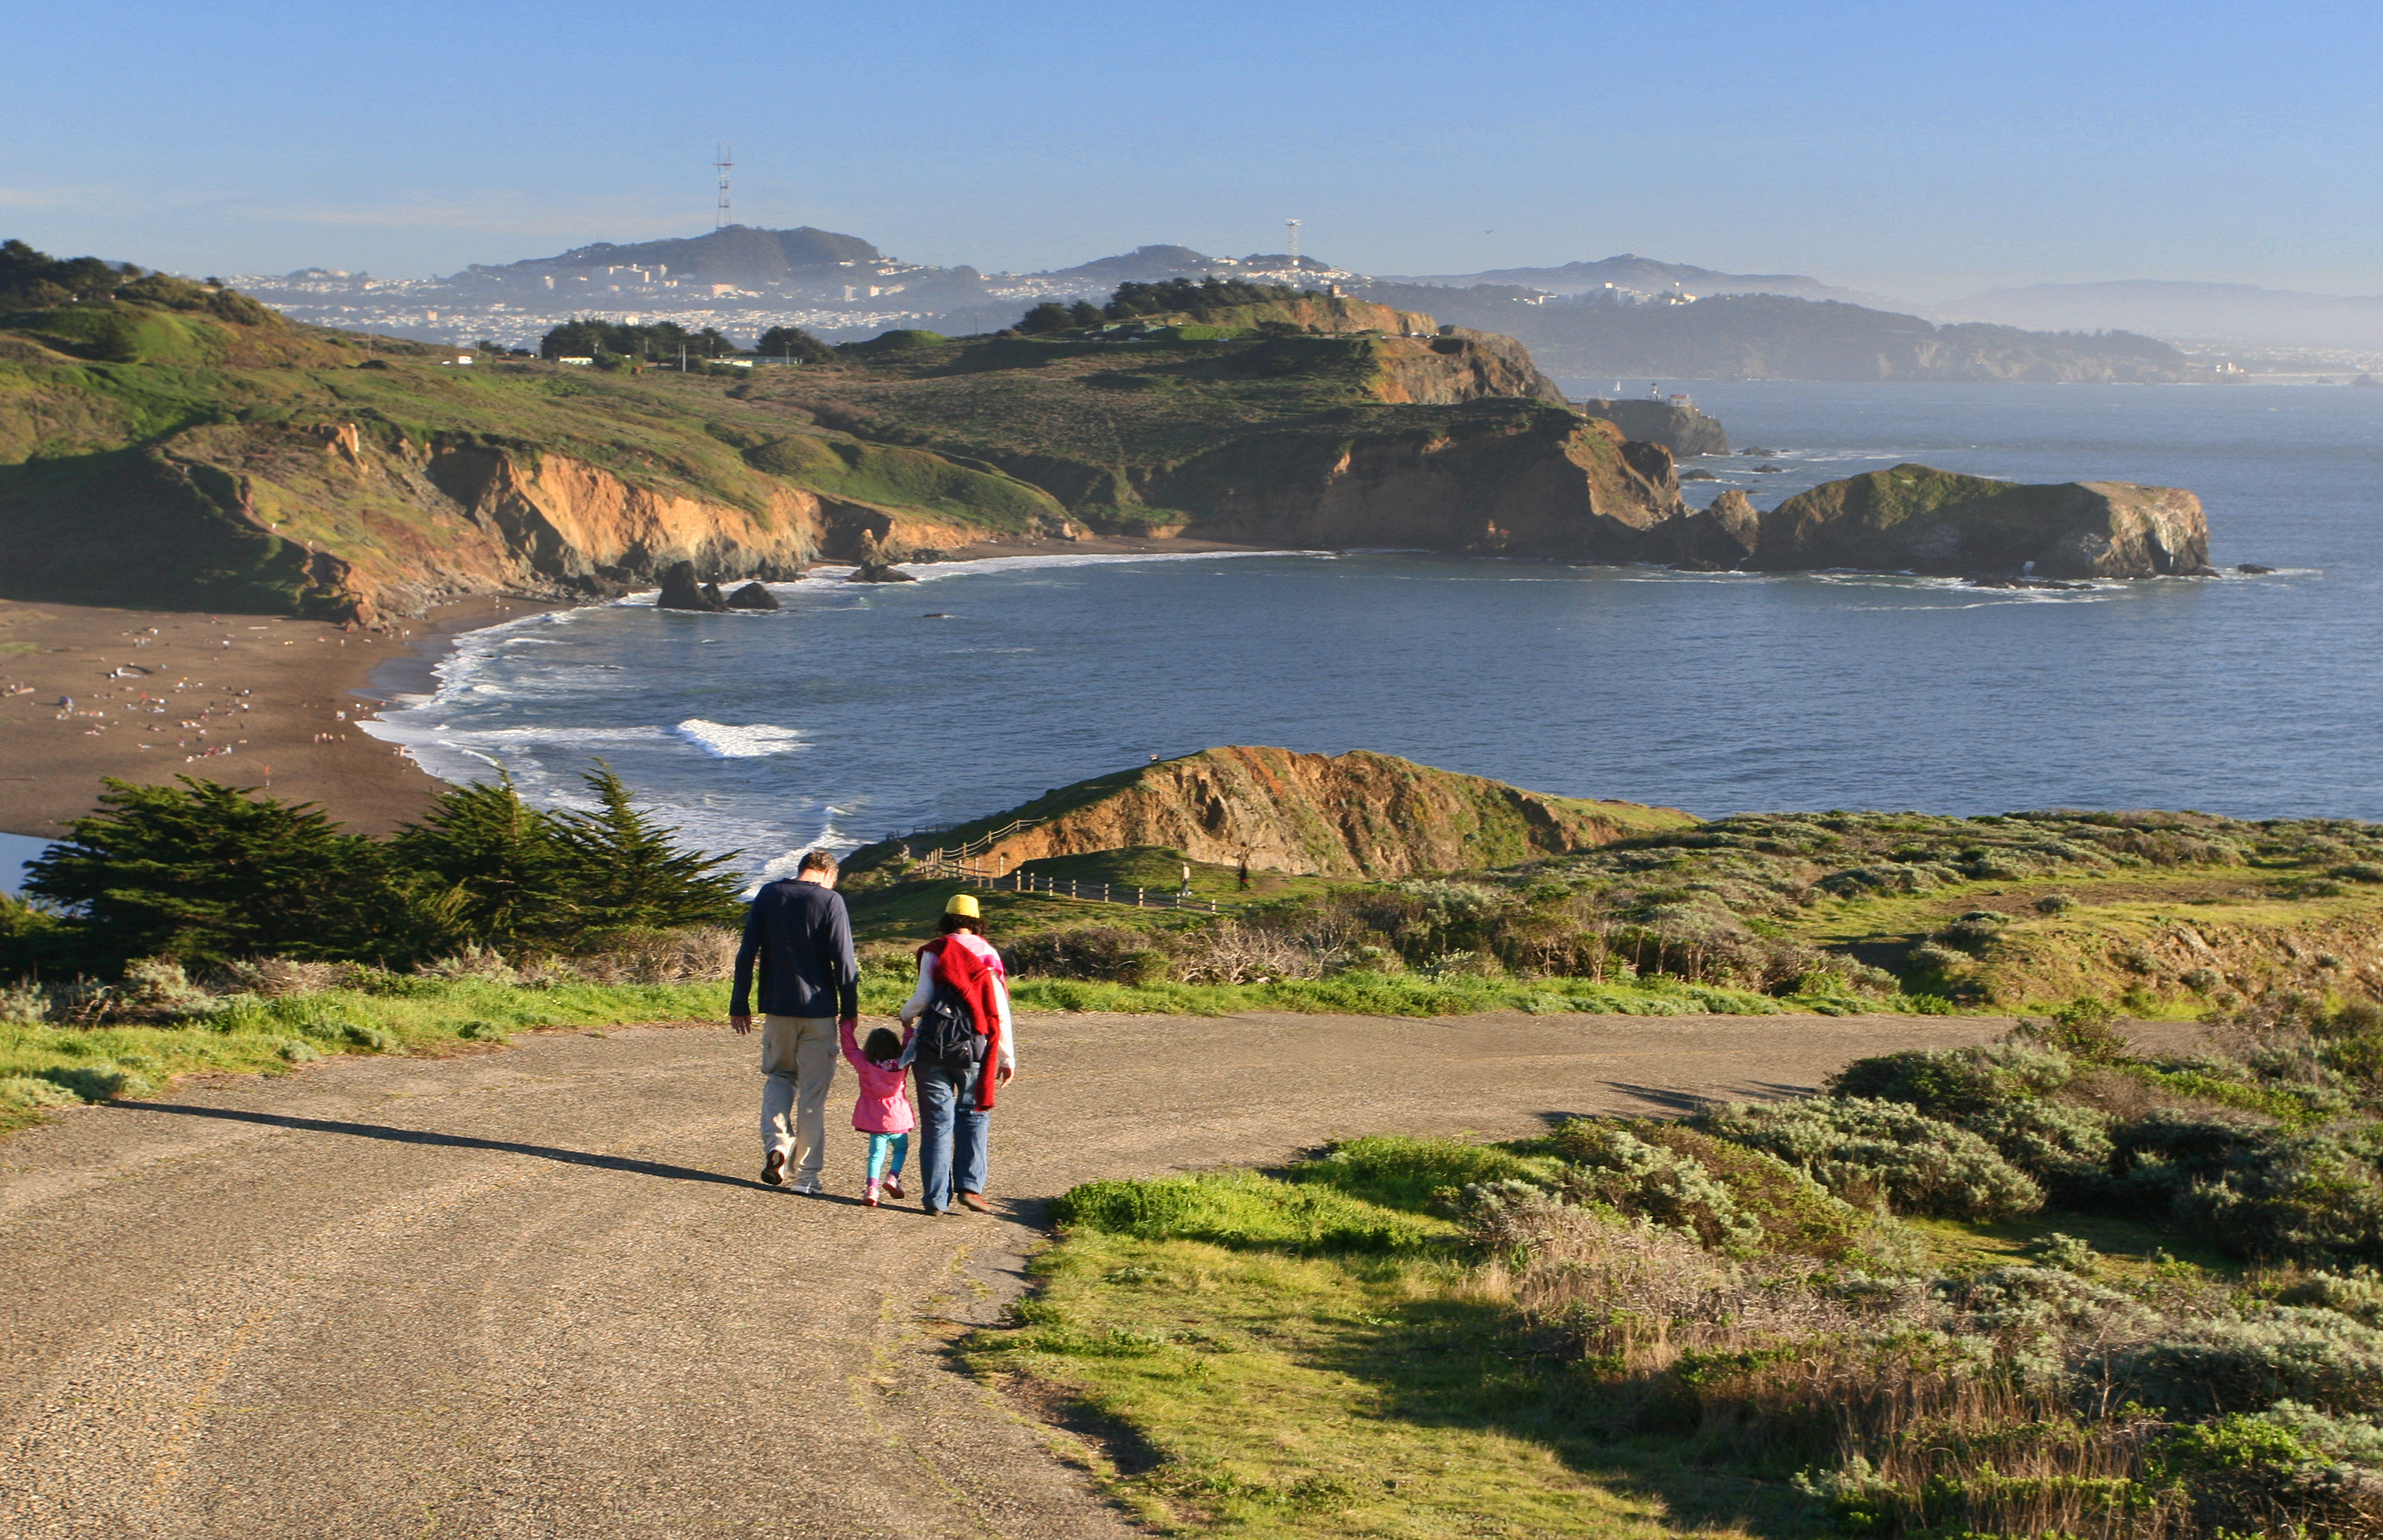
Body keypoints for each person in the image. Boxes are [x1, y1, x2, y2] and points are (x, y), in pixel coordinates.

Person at [731, 849, 859, 1194]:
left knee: (779, 1076)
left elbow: (747, 953)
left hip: (776, 1007)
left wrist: (739, 1003)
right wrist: (850, 1009)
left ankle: (777, 1147)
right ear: (828, 875)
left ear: (802, 869)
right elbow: (844, 962)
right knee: (813, 1095)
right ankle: (806, 1178)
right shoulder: (831, 901)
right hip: (818, 1012)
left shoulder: (769, 894)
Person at [899, 893, 1016, 1214]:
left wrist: (905, 1015)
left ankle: (936, 1200)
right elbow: (999, 1011)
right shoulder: (988, 953)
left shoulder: (936, 950)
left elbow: (922, 997)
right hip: (974, 1048)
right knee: (974, 1116)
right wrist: (1007, 1057)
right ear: (977, 921)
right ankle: (970, 1188)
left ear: (947, 919)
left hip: (934, 1048)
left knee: (937, 1124)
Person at [840, 1020, 914, 1208]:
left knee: (876, 1154)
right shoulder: (902, 1061)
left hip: (875, 1118)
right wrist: (908, 1027)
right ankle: (893, 1176)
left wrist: (847, 1026)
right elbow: (910, 1045)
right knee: (900, 1149)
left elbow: (849, 1049)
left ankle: (872, 1189)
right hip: (898, 1116)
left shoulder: (864, 1063)